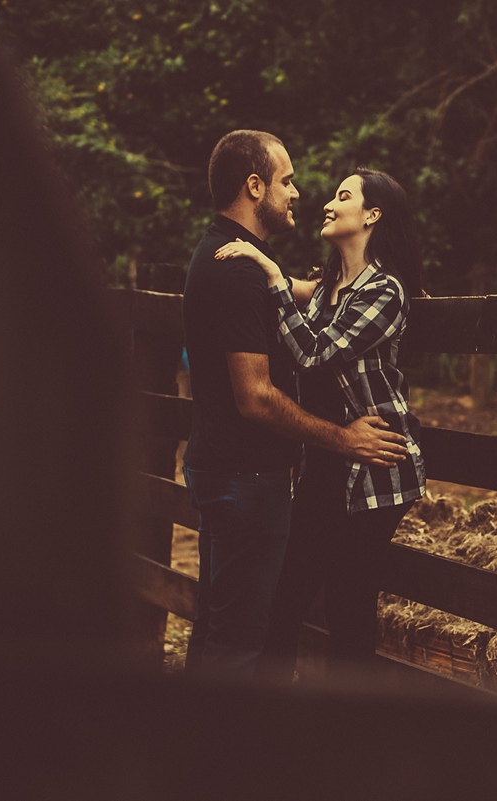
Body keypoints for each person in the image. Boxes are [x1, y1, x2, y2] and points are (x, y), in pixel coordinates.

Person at [182, 133, 409, 678]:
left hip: (255, 467)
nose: (300, 194)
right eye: (286, 180)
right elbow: (258, 394)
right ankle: (220, 755)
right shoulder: (239, 271)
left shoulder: (226, 258)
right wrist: (343, 438)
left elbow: (314, 300)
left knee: (227, 624)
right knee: (240, 635)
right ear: (255, 186)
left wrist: (276, 271)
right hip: (250, 473)